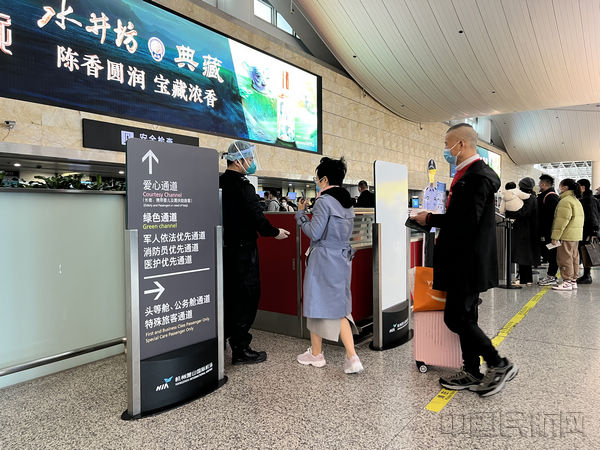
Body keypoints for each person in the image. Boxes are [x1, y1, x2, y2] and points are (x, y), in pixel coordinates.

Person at [414, 123, 517, 397]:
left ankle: (498, 363)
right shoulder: (469, 175)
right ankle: (472, 370)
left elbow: (465, 221)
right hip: (464, 259)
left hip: (466, 261)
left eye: (447, 144)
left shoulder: (476, 177)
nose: (446, 150)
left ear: (461, 144)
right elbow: (463, 216)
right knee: (466, 315)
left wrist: (430, 219)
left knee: (456, 317)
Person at [219, 141, 290, 364]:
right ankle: (241, 348)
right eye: (249, 159)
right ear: (238, 160)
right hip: (244, 251)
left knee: (228, 296)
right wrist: (274, 232)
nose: (251, 162)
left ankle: (222, 340)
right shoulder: (244, 186)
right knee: (247, 297)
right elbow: (255, 217)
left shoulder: (218, 182)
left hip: (223, 249)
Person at [295, 157, 363, 374]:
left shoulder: (324, 201)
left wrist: (301, 215)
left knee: (315, 303)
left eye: (317, 178)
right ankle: (352, 357)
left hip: (323, 258)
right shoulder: (347, 202)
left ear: (324, 179)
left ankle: (316, 355)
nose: (316, 181)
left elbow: (314, 233)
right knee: (340, 307)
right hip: (342, 258)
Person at [550, 179, 584, 291]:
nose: (559, 188)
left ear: (565, 188)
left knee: (564, 258)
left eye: (560, 186)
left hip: (566, 235)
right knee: (574, 258)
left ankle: (567, 282)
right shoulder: (576, 200)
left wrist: (555, 237)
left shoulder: (565, 201)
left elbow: (561, 221)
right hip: (575, 235)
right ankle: (573, 281)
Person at [505, 177, 539, 286]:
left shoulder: (529, 198)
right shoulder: (532, 197)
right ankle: (525, 279)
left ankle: (526, 279)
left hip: (525, 231)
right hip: (527, 230)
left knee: (524, 255)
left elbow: (523, 213)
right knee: (524, 255)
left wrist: (510, 213)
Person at [537, 174, 560, 285]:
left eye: (539, 183)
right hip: (548, 231)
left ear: (543, 184)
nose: (538, 185)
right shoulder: (548, 195)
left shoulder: (550, 197)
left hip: (549, 232)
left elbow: (551, 217)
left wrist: (546, 232)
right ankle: (551, 275)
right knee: (549, 253)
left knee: (552, 254)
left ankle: (551, 276)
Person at [576, 179, 600, 284]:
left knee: (586, 251)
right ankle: (586, 275)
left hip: (587, 230)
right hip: (585, 229)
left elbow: (593, 216)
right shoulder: (585, 199)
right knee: (584, 251)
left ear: (583, 187)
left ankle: (587, 276)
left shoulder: (589, 200)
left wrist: (594, 232)